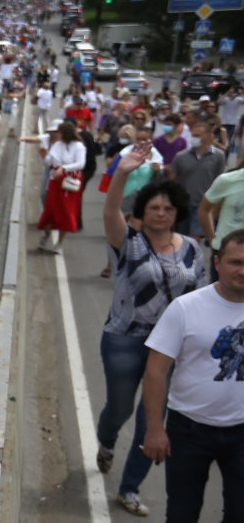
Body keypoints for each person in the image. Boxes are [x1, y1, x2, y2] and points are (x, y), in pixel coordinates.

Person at [98, 141, 206, 516]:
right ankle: (107, 439)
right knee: (120, 408)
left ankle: (129, 489)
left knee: (153, 419)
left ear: (177, 212)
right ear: (142, 211)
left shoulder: (193, 249)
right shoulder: (128, 242)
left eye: (168, 208)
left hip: (169, 347)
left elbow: (201, 298)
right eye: (154, 207)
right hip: (125, 339)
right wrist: (122, 172)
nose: (161, 213)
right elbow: (111, 209)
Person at [142, 229, 244, 522]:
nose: (241, 271)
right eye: (235, 262)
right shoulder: (186, 308)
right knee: (182, 513)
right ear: (218, 262)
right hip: (189, 430)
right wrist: (154, 428)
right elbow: (156, 372)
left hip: (241, 432)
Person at [170, 122, 226, 241]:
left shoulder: (218, 156)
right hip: (183, 203)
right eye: (193, 135)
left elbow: (220, 180)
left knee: (195, 238)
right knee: (181, 238)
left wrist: (218, 205)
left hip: (204, 205)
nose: (194, 137)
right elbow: (172, 179)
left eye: (198, 135)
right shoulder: (180, 156)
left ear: (208, 136)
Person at [36, 121, 86, 254]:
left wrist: (64, 168)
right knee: (51, 209)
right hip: (56, 181)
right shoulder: (57, 145)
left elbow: (80, 163)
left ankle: (59, 242)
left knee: (66, 211)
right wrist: (44, 156)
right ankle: (46, 236)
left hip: (69, 181)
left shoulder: (79, 146)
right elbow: (49, 162)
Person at [198, 156, 244, 282]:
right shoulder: (228, 180)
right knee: (221, 296)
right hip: (225, 251)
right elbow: (204, 209)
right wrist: (212, 238)